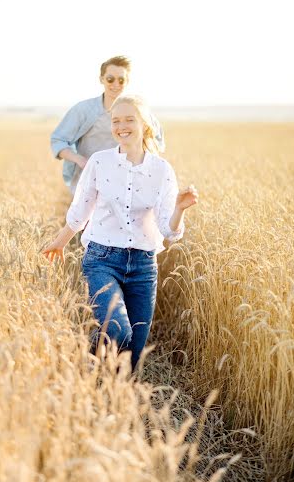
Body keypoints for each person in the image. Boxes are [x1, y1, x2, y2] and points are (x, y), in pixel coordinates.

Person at [43, 94, 198, 371]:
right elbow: (81, 210)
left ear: (145, 125)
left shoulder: (161, 170)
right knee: (118, 332)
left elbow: (169, 231)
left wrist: (180, 209)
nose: (121, 126)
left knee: (132, 360)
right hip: (102, 260)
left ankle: (109, 399)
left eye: (129, 119)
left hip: (143, 265)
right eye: (116, 120)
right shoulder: (100, 162)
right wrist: (59, 242)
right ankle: (90, 360)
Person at [50, 55, 165, 194]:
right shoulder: (83, 110)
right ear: (101, 79)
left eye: (121, 80)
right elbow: (58, 140)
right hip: (89, 184)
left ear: (127, 82)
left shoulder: (139, 111)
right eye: (110, 79)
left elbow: (156, 142)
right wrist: (80, 160)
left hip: (126, 186)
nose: (116, 84)